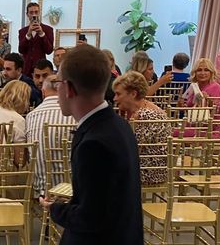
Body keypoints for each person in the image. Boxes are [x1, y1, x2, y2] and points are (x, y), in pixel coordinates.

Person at [40, 45, 143, 244]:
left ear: (69, 88)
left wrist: (55, 208)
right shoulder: (119, 124)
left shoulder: (93, 144)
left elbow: (91, 218)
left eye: (58, 82)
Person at [113, 71, 170, 186]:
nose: (114, 98)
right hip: (144, 165)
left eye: (118, 94)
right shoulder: (138, 110)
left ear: (133, 94)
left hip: (149, 172)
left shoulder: (146, 115)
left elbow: (131, 150)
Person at [26, 74, 76, 199]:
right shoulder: (74, 114)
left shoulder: (31, 116)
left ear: (43, 92)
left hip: (42, 189)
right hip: (72, 188)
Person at [18, 2, 54, 77]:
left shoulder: (48, 29)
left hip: (41, 70)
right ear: (27, 14)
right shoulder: (23, 31)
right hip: (26, 69)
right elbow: (21, 50)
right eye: (31, 12)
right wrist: (28, 34)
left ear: (39, 13)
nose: (34, 15)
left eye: (36, 12)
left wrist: (42, 34)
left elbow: (49, 50)